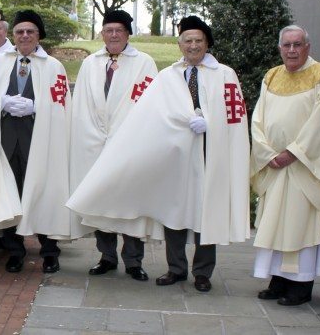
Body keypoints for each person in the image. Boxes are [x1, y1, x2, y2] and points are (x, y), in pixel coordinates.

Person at [67, 16, 251, 290]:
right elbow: (154, 111)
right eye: (187, 41)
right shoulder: (169, 76)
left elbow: (235, 115)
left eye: (198, 41)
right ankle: (175, 268)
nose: (192, 46)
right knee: (174, 210)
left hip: (208, 151)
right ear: (179, 44)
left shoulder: (225, 74)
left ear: (207, 43)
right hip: (175, 153)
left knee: (205, 211)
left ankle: (202, 272)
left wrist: (211, 123)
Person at [0, 10, 90, 274]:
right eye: (20, 32)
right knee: (10, 194)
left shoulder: (53, 67)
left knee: (45, 192)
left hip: (40, 142)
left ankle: (49, 251)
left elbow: (61, 106)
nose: (24, 36)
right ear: (14, 35)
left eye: (30, 32)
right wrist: (2, 102)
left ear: (39, 36)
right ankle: (15, 250)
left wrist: (36, 106)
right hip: (6, 141)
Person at [251, 25, 320, 306]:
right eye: (287, 45)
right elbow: (258, 119)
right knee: (276, 223)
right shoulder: (272, 75)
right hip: (275, 165)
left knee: (301, 226)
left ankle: (300, 287)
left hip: (305, 166)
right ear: (280, 48)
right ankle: (278, 281)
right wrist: (267, 154)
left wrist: (294, 152)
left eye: (297, 45)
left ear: (307, 47)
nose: (292, 50)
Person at [67, 10, 158, 282]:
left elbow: (150, 105)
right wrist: (89, 135)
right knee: (101, 202)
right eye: (109, 30)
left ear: (128, 33)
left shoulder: (144, 63)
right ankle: (106, 256)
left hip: (129, 145)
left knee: (129, 202)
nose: (114, 35)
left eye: (119, 30)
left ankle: (133, 261)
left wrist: (128, 136)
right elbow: (81, 104)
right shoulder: (90, 63)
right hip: (95, 142)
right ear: (102, 33)